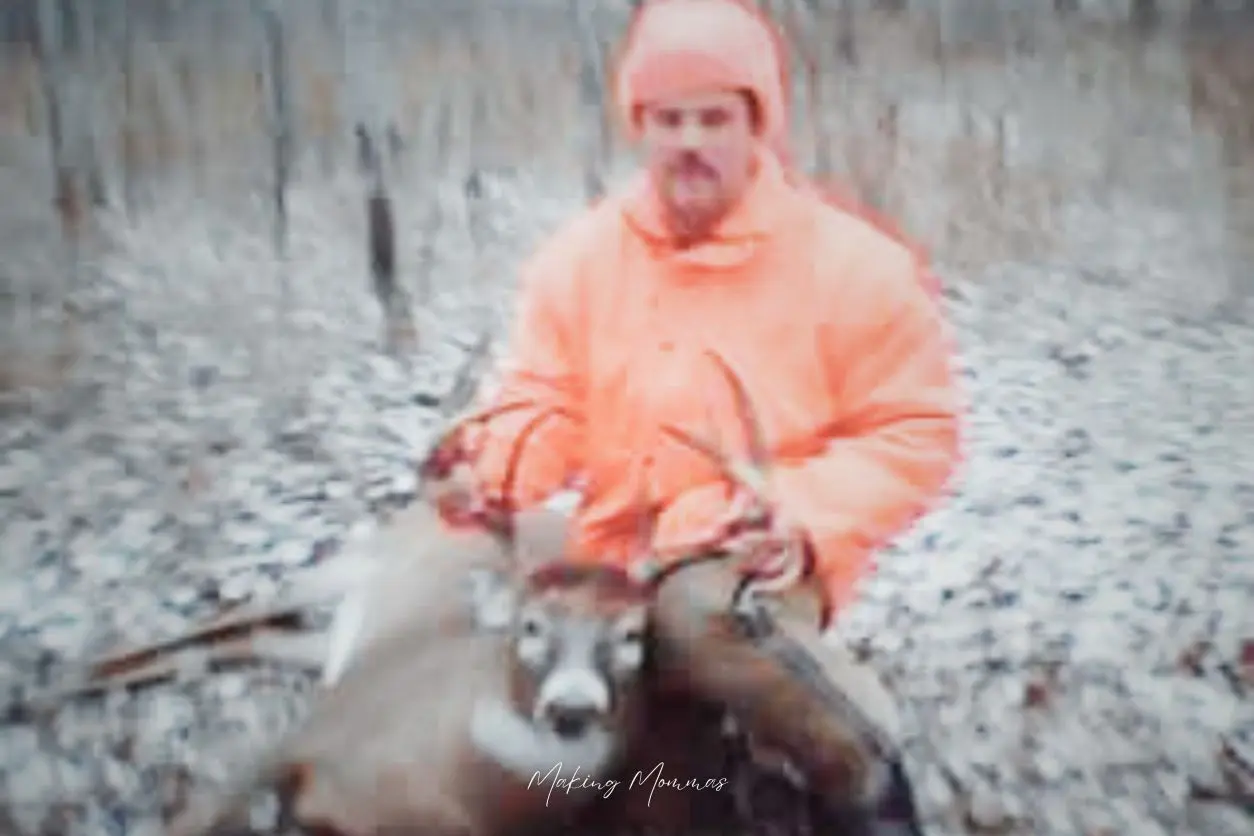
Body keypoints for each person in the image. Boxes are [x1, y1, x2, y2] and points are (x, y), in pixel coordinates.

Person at [458, 0, 962, 832]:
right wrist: (496, 466)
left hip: (749, 554)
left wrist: (798, 516)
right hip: (613, 547)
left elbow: (916, 431)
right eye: (669, 119)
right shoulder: (579, 260)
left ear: (756, 125)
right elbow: (543, 398)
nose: (690, 141)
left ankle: (865, 784)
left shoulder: (856, 268)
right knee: (466, 592)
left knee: (699, 616)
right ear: (640, 125)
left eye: (715, 117)